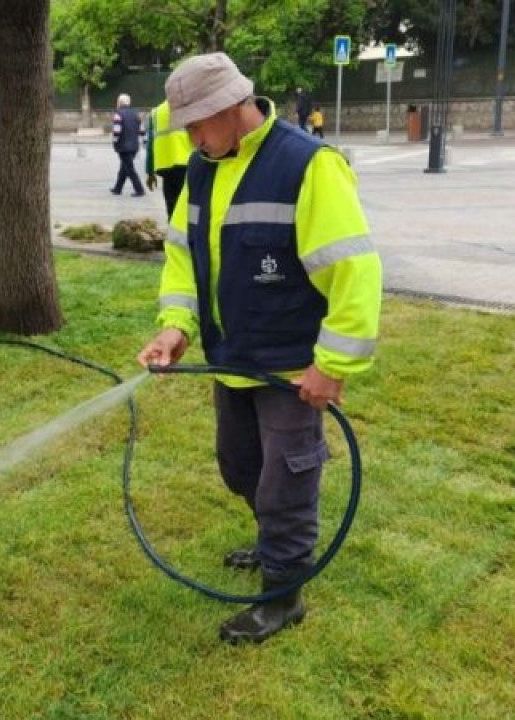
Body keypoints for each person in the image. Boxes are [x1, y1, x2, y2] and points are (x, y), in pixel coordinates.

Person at [136, 52, 382, 645]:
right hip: (232, 360)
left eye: (196, 124)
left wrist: (332, 365)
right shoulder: (201, 168)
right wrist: (176, 326)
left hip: (293, 368)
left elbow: (355, 270)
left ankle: (283, 597)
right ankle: (275, 542)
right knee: (240, 467)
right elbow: (182, 259)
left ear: (232, 107)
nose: (190, 138)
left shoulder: (310, 166)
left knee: (286, 483)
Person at [145, 99, 195, 220]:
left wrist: (150, 172)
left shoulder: (155, 112)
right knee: (190, 205)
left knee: (172, 204)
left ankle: (174, 234)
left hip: (165, 165)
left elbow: (150, 144)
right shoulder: (189, 107)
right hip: (186, 162)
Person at [110, 93, 145, 197]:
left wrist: (114, 141)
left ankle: (139, 189)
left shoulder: (118, 114)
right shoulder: (136, 114)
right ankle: (118, 188)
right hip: (134, 146)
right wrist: (143, 141)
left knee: (129, 169)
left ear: (119, 102)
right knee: (124, 167)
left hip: (123, 146)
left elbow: (117, 131)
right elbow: (142, 130)